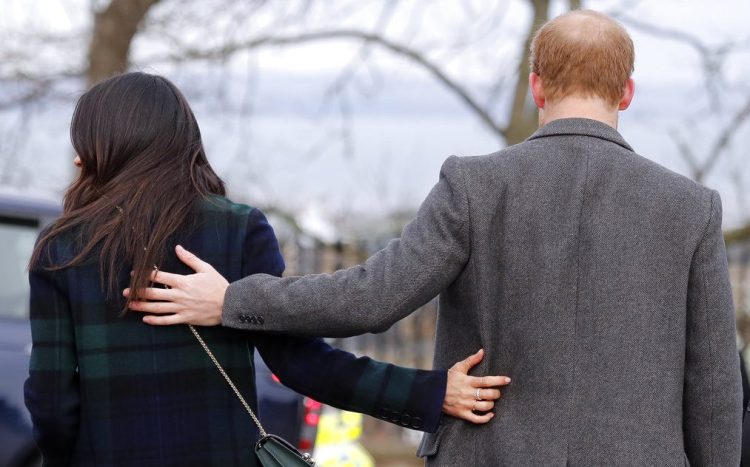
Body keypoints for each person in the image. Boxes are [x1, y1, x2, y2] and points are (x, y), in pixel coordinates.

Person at [130, 10, 743, 466]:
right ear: (627, 92)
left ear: (536, 87)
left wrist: (233, 300)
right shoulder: (690, 209)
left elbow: (369, 299)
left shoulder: (475, 185)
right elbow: (715, 388)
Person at [24, 72, 510, 467]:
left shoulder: (62, 249)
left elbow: (51, 403)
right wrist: (429, 392)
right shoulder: (236, 230)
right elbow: (304, 365)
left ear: (103, 149)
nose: (76, 157)